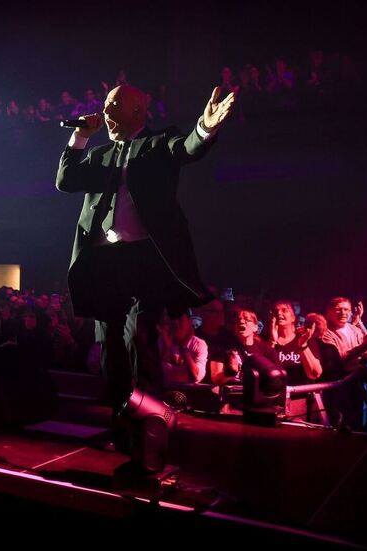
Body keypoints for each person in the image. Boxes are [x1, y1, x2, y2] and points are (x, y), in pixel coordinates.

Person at [54, 83, 236, 454]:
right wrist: (79, 138)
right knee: (110, 345)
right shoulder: (101, 154)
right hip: (105, 261)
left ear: (138, 111)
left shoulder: (157, 143)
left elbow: (187, 148)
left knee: (138, 338)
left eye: (115, 104)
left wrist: (205, 128)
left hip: (143, 260)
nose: (106, 110)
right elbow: (65, 182)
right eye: (105, 103)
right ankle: (121, 420)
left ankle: (150, 422)